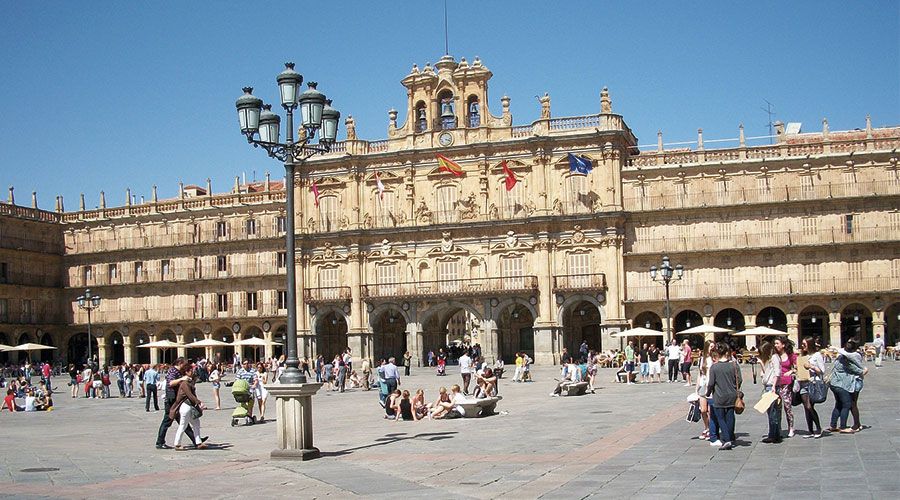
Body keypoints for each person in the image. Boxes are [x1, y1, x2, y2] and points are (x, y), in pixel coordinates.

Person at [155, 357, 199, 449]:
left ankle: (196, 440)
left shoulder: (178, 372)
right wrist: (181, 379)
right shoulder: (173, 371)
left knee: (183, 421)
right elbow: (170, 383)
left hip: (176, 400)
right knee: (167, 421)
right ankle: (160, 442)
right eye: (184, 364)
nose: (185, 366)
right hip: (171, 400)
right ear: (180, 363)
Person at [705, 342, 741, 450]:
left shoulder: (714, 367)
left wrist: (708, 393)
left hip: (719, 396)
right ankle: (730, 437)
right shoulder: (734, 365)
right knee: (730, 416)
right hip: (732, 395)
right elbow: (740, 379)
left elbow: (711, 383)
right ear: (727, 352)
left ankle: (727, 439)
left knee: (720, 418)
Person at [829, 338, 867, 433]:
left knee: (838, 404)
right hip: (841, 385)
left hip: (833, 383)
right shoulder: (846, 360)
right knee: (847, 405)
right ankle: (844, 426)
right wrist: (864, 371)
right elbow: (857, 370)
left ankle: (833, 425)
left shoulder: (840, 357)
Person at [170, 364, 208, 451]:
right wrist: (199, 403)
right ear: (186, 372)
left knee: (196, 423)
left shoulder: (189, 381)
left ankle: (198, 442)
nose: (193, 372)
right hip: (185, 406)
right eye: (191, 370)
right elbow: (190, 395)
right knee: (183, 425)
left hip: (190, 406)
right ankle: (177, 444)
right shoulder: (184, 383)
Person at [797, 337, 825, 438]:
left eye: (804, 344)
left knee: (809, 406)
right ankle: (810, 430)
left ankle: (818, 428)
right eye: (802, 344)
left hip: (813, 383)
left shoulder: (817, 355)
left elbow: (822, 370)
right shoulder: (803, 355)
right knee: (806, 407)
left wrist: (811, 367)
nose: (802, 346)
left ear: (810, 344)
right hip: (803, 383)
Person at [758, 341, 782, 443]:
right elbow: (767, 372)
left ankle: (774, 435)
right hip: (768, 386)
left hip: (772, 387)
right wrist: (761, 363)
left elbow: (777, 373)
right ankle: (773, 434)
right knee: (771, 412)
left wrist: (773, 386)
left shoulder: (774, 358)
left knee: (773, 412)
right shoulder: (770, 359)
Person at [773, 336, 797, 438]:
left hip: (787, 383)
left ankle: (791, 427)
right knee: (777, 407)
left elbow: (797, 367)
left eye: (777, 343)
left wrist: (791, 371)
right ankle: (778, 428)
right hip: (777, 383)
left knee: (787, 406)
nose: (775, 345)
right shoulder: (774, 356)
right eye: (775, 343)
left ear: (783, 345)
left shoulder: (790, 355)